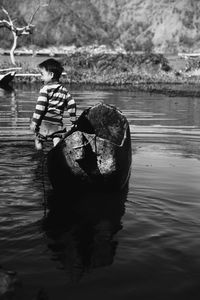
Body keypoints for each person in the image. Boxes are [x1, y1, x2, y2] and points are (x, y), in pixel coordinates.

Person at [30, 58, 77, 150]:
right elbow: (72, 104)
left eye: (42, 74)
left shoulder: (45, 89)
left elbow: (40, 107)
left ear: (51, 75)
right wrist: (73, 121)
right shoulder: (64, 90)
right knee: (57, 143)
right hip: (57, 124)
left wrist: (35, 122)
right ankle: (57, 156)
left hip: (45, 123)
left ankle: (40, 156)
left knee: (38, 140)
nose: (41, 77)